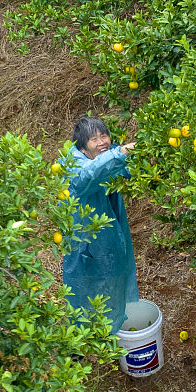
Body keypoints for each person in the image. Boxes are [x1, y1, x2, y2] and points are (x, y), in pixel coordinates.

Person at [59, 116, 138, 333]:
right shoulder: (74, 164)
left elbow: (124, 171)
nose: (102, 142)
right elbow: (89, 175)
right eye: (94, 139)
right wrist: (119, 153)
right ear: (83, 148)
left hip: (108, 234)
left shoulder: (106, 155)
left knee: (112, 277)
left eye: (104, 135)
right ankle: (80, 339)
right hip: (84, 238)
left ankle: (110, 331)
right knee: (83, 287)